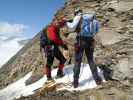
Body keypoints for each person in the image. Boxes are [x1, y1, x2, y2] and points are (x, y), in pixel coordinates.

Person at [66, 8, 102, 88]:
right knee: (90, 60)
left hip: (80, 40)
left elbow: (72, 27)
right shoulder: (93, 18)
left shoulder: (78, 17)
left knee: (78, 61)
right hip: (90, 40)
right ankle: (97, 80)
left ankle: (75, 82)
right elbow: (96, 30)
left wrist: (67, 22)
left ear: (76, 12)